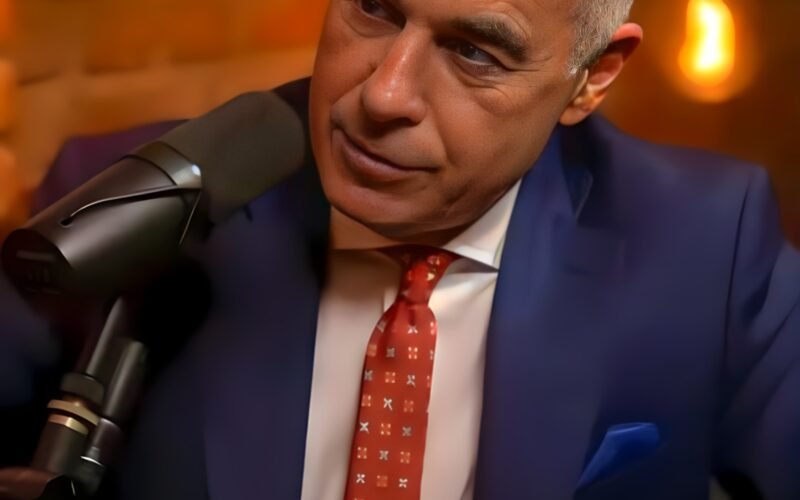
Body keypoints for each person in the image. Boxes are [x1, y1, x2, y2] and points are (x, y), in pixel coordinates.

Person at [1, 0, 799, 499]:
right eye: (375, 9)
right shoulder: (129, 197)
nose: (383, 95)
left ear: (591, 77)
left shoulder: (710, 242)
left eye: (475, 52)